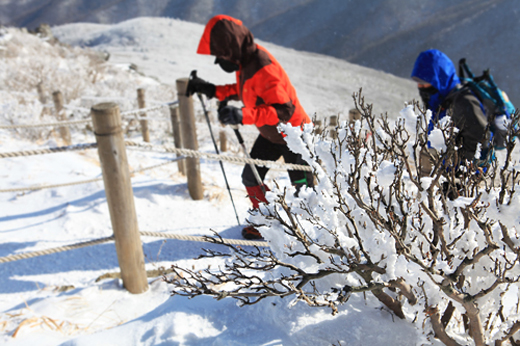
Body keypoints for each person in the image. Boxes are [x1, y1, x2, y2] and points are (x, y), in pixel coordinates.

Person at [186, 15, 314, 240]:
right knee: (251, 177)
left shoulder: (263, 67)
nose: (218, 61)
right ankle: (266, 221)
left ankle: (308, 232)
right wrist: (212, 90)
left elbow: (284, 110)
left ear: (231, 48)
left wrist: (242, 114)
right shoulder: (245, 62)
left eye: (220, 55)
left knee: (302, 187)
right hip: (271, 133)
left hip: (294, 134)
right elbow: (245, 90)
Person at [411, 49, 489, 176]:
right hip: (443, 175)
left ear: (439, 80)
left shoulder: (463, 101)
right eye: (419, 83)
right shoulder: (439, 103)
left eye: (426, 83)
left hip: (461, 178)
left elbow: (481, 140)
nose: (421, 87)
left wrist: (460, 175)